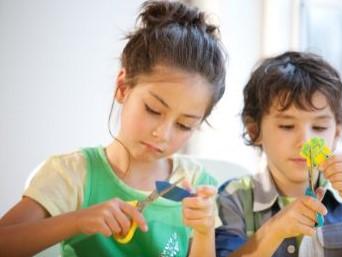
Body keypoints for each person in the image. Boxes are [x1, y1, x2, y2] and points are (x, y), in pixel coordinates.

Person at [0, 1, 226, 257]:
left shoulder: (195, 185)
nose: (162, 134)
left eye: (184, 125)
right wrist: (76, 221)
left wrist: (204, 231)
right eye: (153, 110)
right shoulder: (74, 176)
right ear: (122, 87)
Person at [215, 51, 342, 257]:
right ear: (254, 131)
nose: (305, 142)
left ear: (336, 134)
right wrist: (275, 230)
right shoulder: (234, 198)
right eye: (287, 126)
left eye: (319, 127)